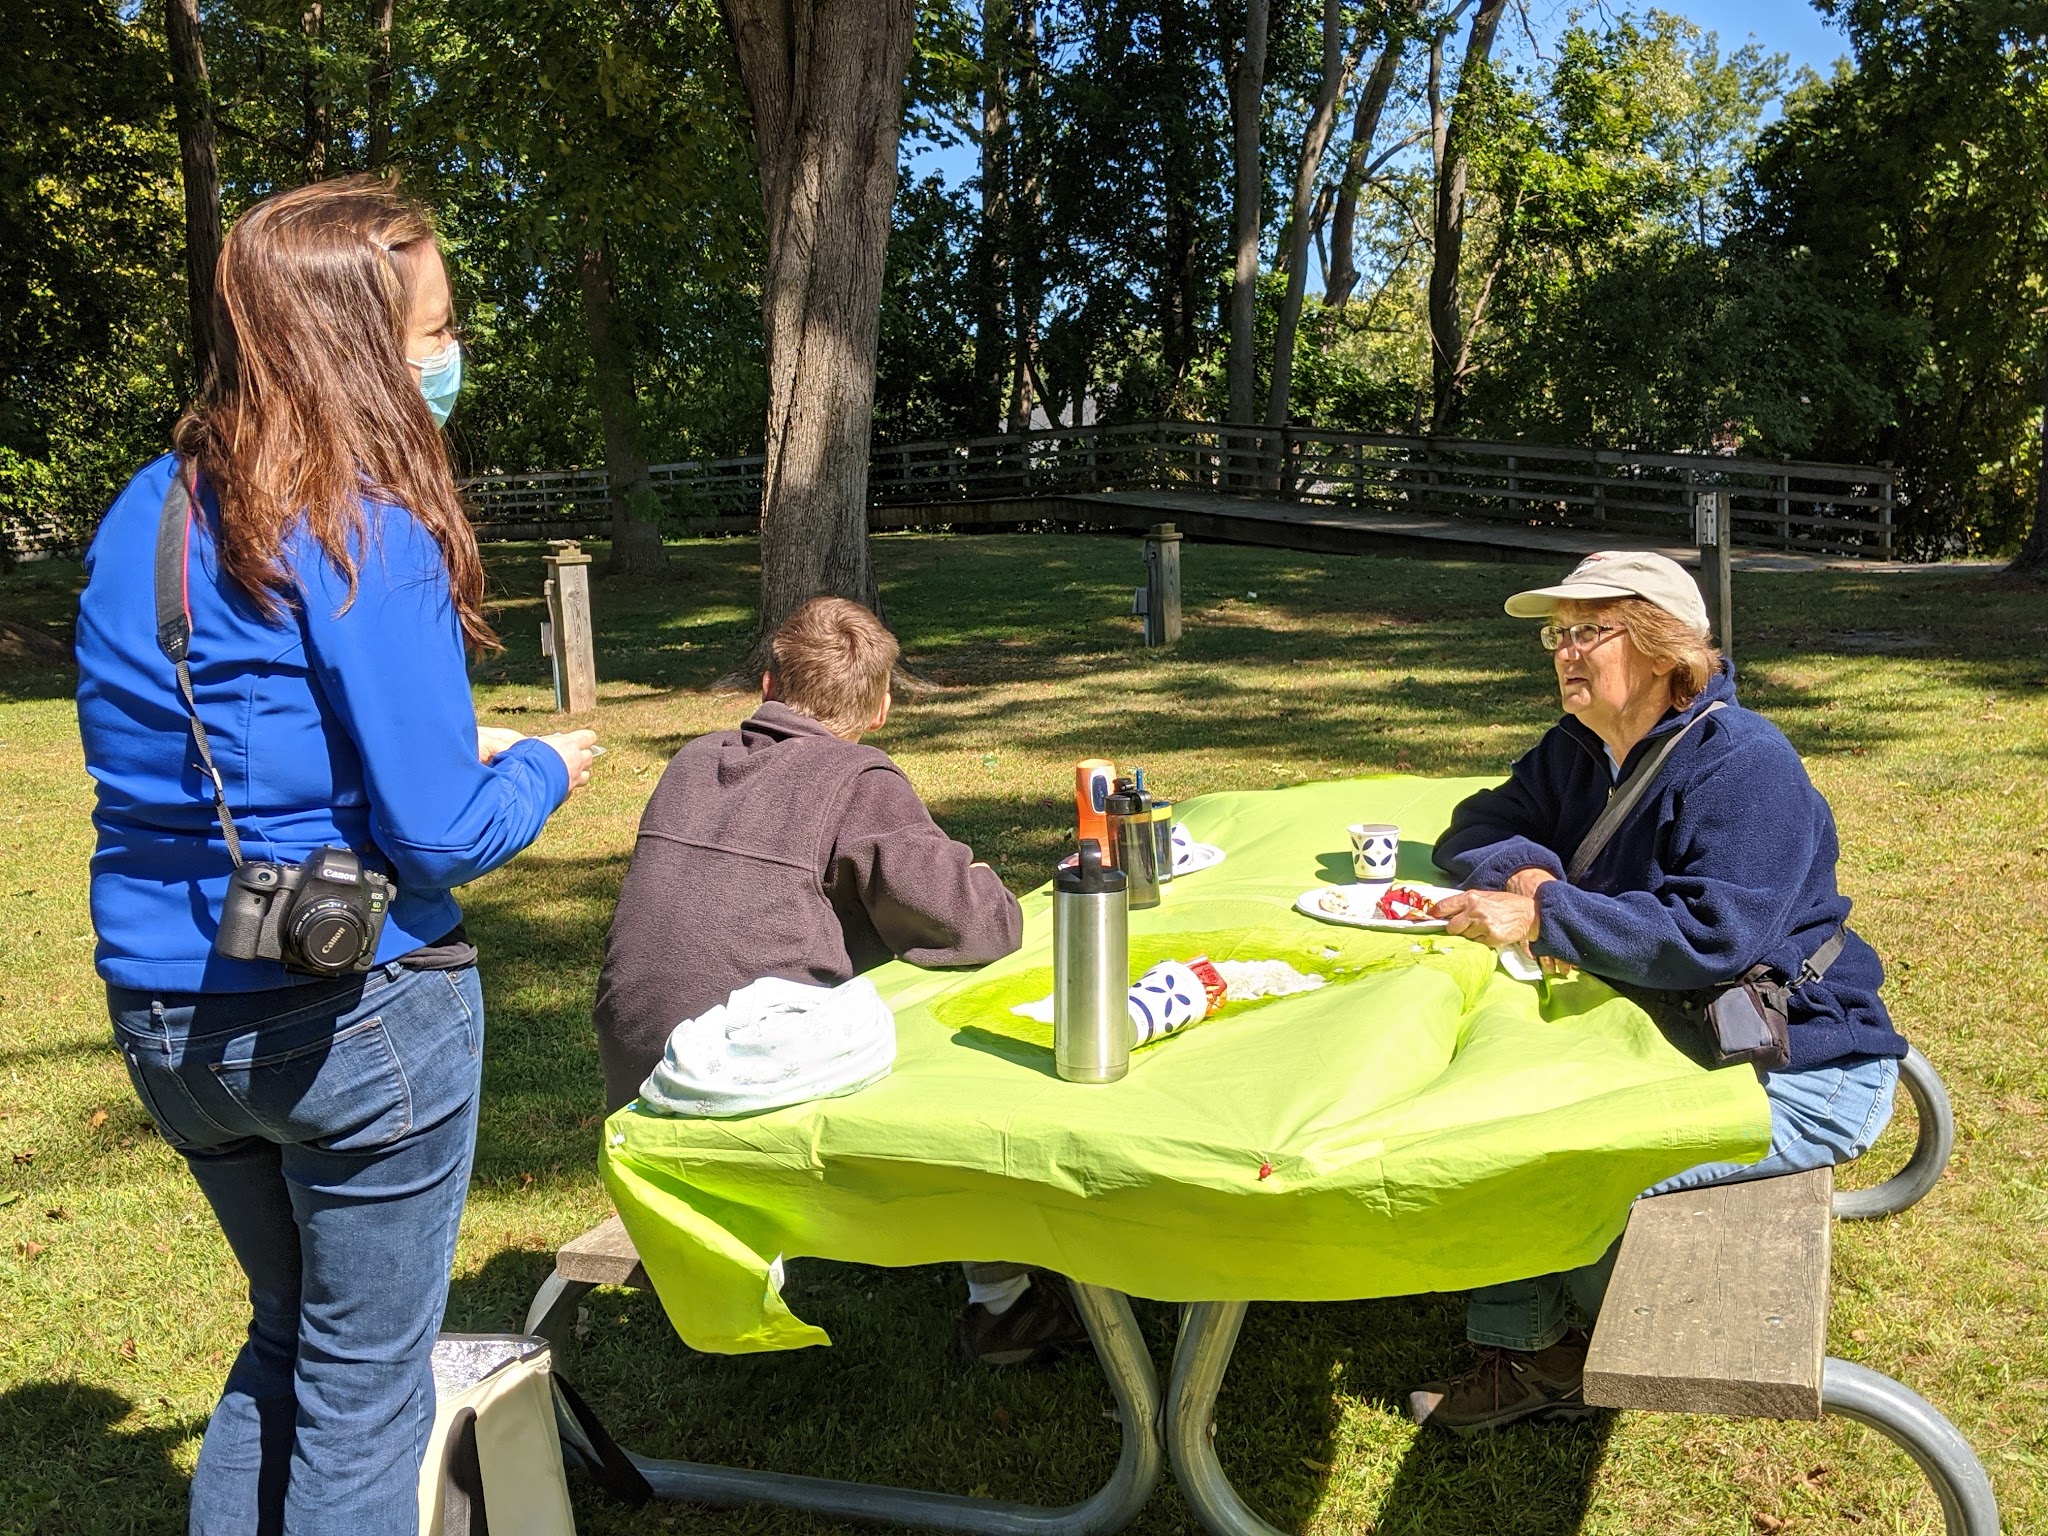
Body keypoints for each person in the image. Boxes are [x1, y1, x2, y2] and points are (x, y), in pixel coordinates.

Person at [74, 176, 598, 1532]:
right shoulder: (367, 517)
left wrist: (441, 735)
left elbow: (226, 731)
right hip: (352, 1012)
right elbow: (439, 831)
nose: (449, 351)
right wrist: (541, 766)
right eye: (436, 326)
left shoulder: (151, 507)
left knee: (286, 1341)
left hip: (166, 1011)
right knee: (367, 1396)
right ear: (360, 343)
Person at [1408, 550, 1906, 1436]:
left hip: (1796, 1069)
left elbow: (1710, 938)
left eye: (1588, 631)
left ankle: (1536, 1358)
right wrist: (1525, 869)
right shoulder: (1580, 749)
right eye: (1556, 635)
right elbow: (1474, 826)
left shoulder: (1743, 764)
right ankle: (1533, 1333)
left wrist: (1545, 912)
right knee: (1502, 1105)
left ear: (1661, 649)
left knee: (1555, 1159)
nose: (1564, 652)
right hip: (1689, 1039)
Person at [593, 597, 1081, 1364]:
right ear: (883, 705)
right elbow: (976, 926)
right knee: (959, 1029)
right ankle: (1003, 1302)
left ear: (765, 683)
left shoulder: (691, 761)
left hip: (639, 1074)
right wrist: (980, 879)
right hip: (736, 1083)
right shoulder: (857, 778)